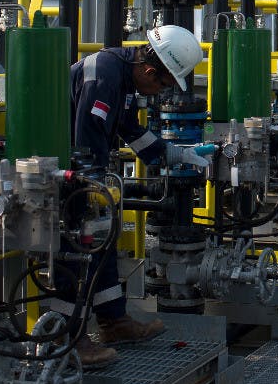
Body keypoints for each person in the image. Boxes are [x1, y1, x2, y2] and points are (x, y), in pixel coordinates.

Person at [61, 24, 208, 366]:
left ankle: (114, 322)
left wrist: (168, 153)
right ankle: (66, 338)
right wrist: (91, 190)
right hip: (68, 171)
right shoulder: (104, 77)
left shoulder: (123, 78)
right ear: (149, 69)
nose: (160, 93)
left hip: (84, 171)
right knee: (75, 249)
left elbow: (128, 126)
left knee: (102, 237)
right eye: (163, 84)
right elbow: (87, 139)